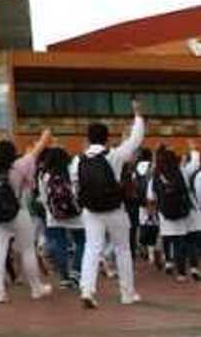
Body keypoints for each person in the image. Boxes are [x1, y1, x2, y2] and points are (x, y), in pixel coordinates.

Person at [72, 98, 145, 309]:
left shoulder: (79, 159)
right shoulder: (113, 155)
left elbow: (76, 185)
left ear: (88, 138)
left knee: (91, 248)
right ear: (106, 139)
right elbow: (135, 141)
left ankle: (87, 289)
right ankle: (127, 294)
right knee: (123, 249)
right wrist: (138, 115)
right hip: (114, 209)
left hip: (91, 210)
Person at [0, 130, 53, 303]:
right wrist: (44, 136)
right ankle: (36, 288)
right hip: (18, 212)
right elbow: (37, 150)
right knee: (28, 250)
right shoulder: (20, 165)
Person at [145, 145, 198, 281]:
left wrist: (151, 213)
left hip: (165, 213)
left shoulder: (156, 175)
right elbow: (194, 165)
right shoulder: (181, 171)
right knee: (182, 242)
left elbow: (151, 197)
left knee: (168, 239)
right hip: (181, 212)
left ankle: (168, 262)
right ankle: (183, 272)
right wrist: (193, 149)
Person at [39, 147, 85, 290]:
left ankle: (64, 277)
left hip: (54, 216)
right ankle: (76, 272)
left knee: (60, 244)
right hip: (76, 214)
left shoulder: (44, 176)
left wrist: (51, 210)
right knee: (82, 241)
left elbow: (43, 198)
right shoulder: (72, 171)